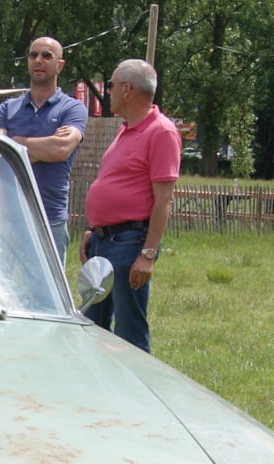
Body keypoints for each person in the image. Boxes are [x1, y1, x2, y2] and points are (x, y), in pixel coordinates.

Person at [79, 59, 180, 354]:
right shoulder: (127, 129)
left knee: (129, 336)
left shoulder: (161, 132)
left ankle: (135, 395)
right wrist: (92, 230)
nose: (107, 91)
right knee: (92, 326)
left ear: (126, 89)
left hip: (128, 243)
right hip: (103, 241)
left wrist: (147, 255)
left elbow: (164, 200)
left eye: (110, 85)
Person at [0, 37, 88, 262]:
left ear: (60, 65)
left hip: (50, 218)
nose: (39, 60)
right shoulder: (6, 109)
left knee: (47, 295)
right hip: (8, 217)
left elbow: (61, 148)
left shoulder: (72, 108)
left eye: (46, 55)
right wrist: (42, 146)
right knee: (3, 292)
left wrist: (13, 142)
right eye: (33, 55)